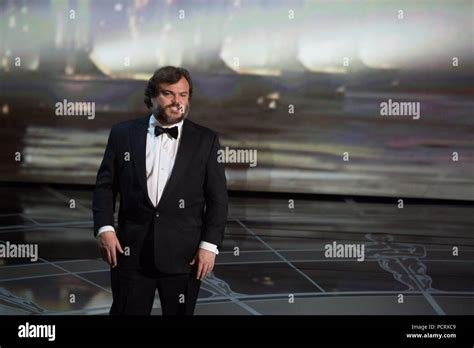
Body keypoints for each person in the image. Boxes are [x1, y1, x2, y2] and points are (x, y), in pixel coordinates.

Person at [92, 66, 228, 315]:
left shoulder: (206, 140)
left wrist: (209, 246)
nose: (177, 101)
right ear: (152, 97)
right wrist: (105, 228)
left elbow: (217, 199)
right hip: (130, 252)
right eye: (168, 93)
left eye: (183, 95)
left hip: (185, 257)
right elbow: (105, 187)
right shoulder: (122, 134)